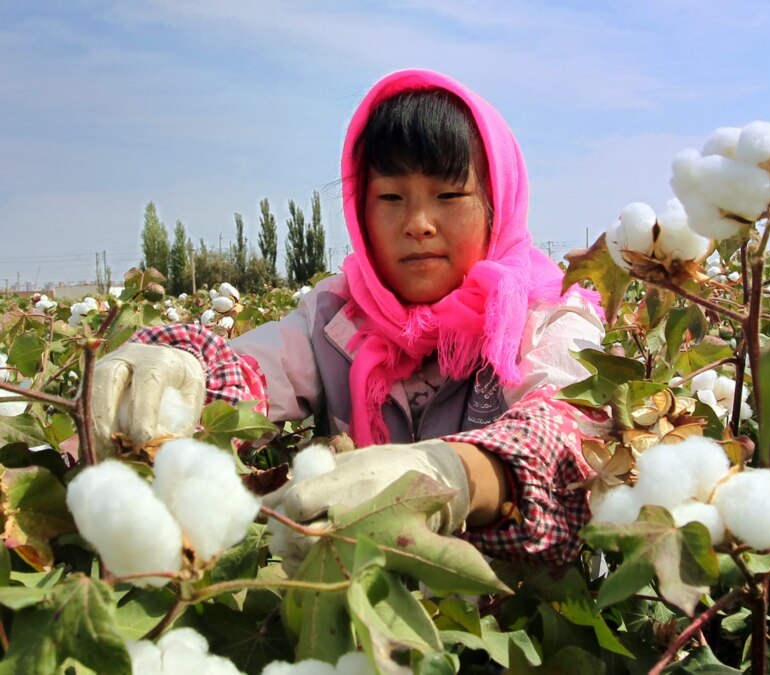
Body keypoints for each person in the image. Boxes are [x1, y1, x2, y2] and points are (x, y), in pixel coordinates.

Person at [90, 69, 606, 572]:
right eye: (390, 197)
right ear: (360, 210)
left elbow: (570, 441)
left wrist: (454, 474)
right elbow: (249, 375)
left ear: (497, 203)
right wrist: (182, 377)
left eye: (449, 196)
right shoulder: (336, 318)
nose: (418, 224)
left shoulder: (552, 316)